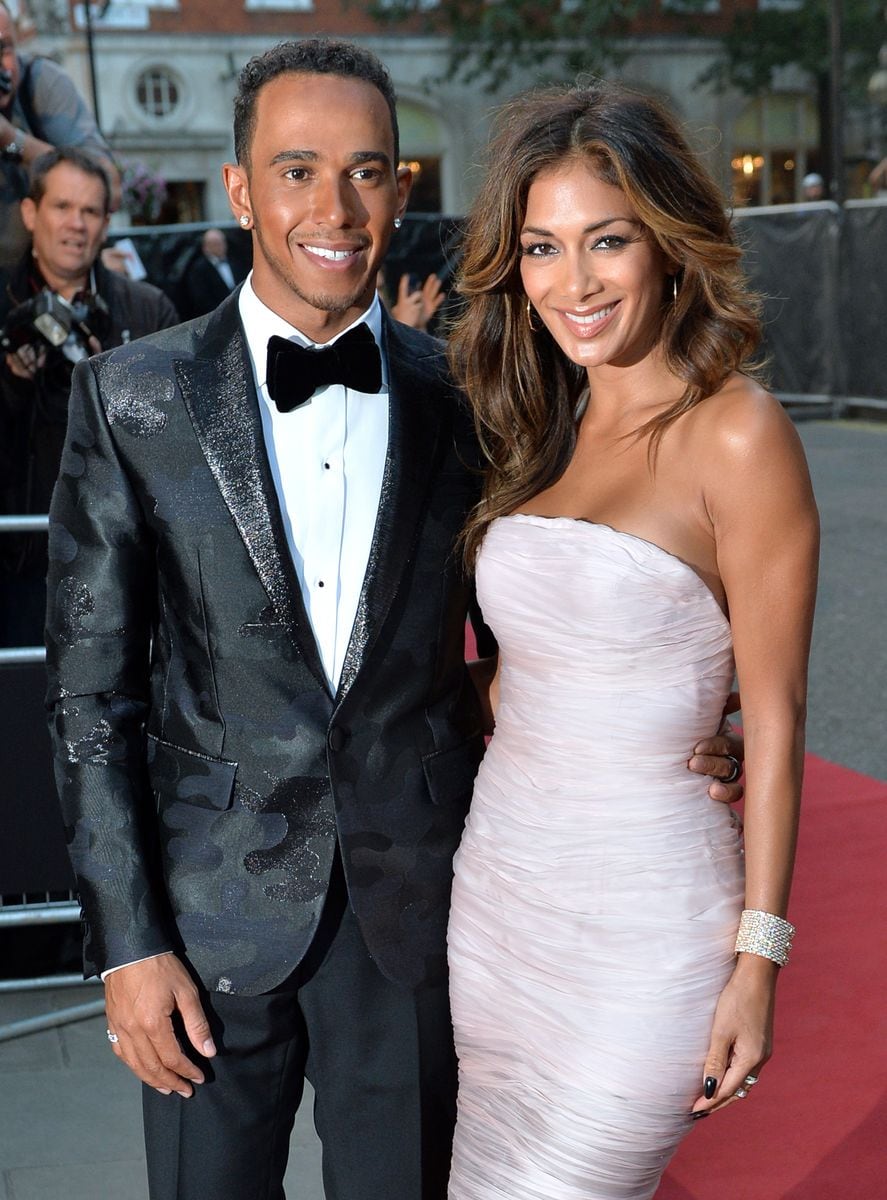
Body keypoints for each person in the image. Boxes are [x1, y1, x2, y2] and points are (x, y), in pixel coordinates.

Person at [45, 41, 745, 1200]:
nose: (334, 207)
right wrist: (127, 942)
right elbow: (87, 694)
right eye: (297, 170)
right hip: (205, 926)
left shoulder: (473, 397)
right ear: (238, 189)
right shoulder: (133, 396)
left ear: (403, 187)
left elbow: (541, 632)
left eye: (366, 171)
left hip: (420, 909)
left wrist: (679, 726)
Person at [445, 82, 818, 1200]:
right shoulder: (536, 425)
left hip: (647, 927)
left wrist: (756, 962)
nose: (574, 283)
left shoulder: (736, 431)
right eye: (542, 249)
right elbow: (522, 680)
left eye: (605, 241)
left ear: (664, 242)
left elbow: (783, 710)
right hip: (501, 900)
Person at [0, 146, 177, 647]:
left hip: (121, 567)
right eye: (62, 207)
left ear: (105, 223)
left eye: (90, 211)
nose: (76, 224)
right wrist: (12, 383)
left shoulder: (147, 311)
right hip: (20, 564)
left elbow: (174, 448)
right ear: (31, 213)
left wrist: (110, 388)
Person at [0, 0, 120, 270]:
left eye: (2, 48)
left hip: (42, 281)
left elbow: (108, 187)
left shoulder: (40, 82)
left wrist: (12, 140)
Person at [178, 226, 248, 318]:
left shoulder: (235, 263)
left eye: (222, 242)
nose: (220, 246)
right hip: (214, 317)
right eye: (215, 244)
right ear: (206, 247)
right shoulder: (198, 269)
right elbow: (201, 299)